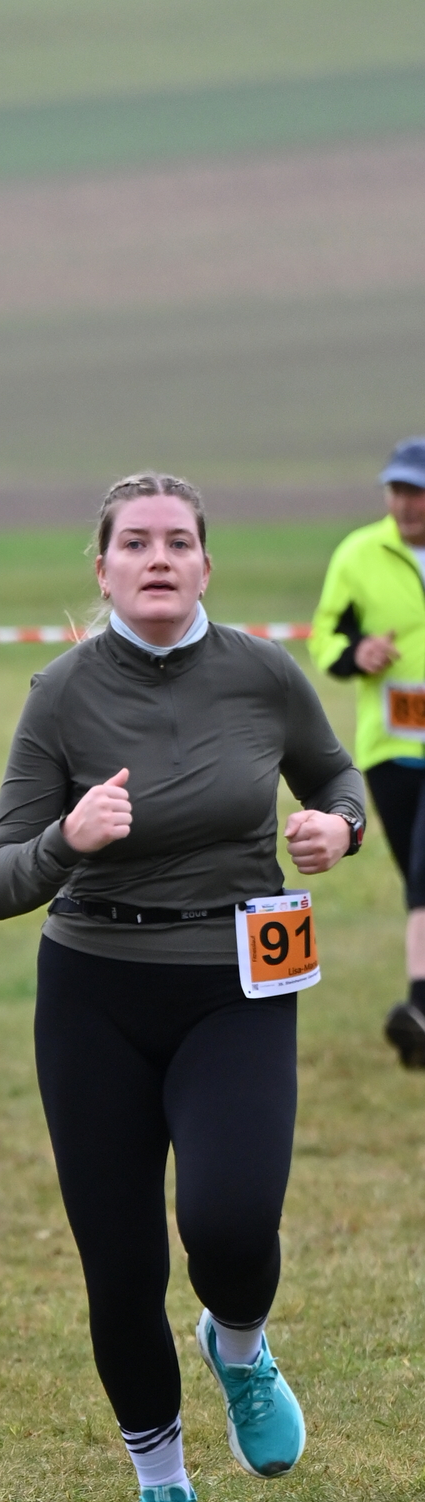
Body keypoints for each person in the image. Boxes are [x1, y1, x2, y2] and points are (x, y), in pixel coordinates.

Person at [0, 473, 365, 1502]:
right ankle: (163, 1496)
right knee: (119, 1264)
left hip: (238, 980)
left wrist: (336, 828)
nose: (158, 558)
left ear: (205, 565)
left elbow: (338, 776)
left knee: (230, 1224)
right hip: (94, 990)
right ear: (101, 569)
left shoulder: (262, 672)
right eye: (136, 543)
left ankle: (237, 1345)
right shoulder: (60, 694)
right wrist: (67, 838)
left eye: (178, 542)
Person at [307, 436, 425, 1069]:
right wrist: (359, 654)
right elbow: (325, 637)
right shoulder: (358, 554)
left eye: (417, 491)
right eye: (397, 490)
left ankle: (419, 1006)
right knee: (416, 874)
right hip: (391, 748)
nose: (406, 503)